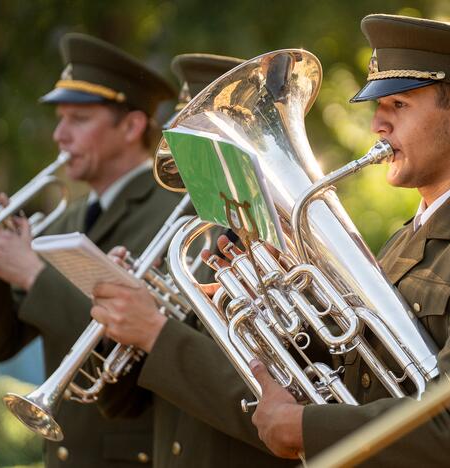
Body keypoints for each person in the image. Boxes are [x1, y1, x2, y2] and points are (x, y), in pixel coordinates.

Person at [244, 14, 450, 466]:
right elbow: (357, 373)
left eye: (398, 105)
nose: (377, 123)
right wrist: (268, 310)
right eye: (378, 107)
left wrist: (305, 427)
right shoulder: (402, 243)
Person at [0, 33, 178, 467]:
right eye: (60, 118)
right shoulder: (64, 220)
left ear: (133, 126)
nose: (60, 134)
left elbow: (134, 345)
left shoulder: (171, 214)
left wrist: (30, 274)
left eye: (78, 119)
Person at [90, 53, 294, 467]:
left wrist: (155, 331)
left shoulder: (292, 249)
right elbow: (124, 405)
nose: (180, 158)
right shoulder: (200, 237)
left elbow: (285, 413)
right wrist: (124, 325)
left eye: (194, 140)